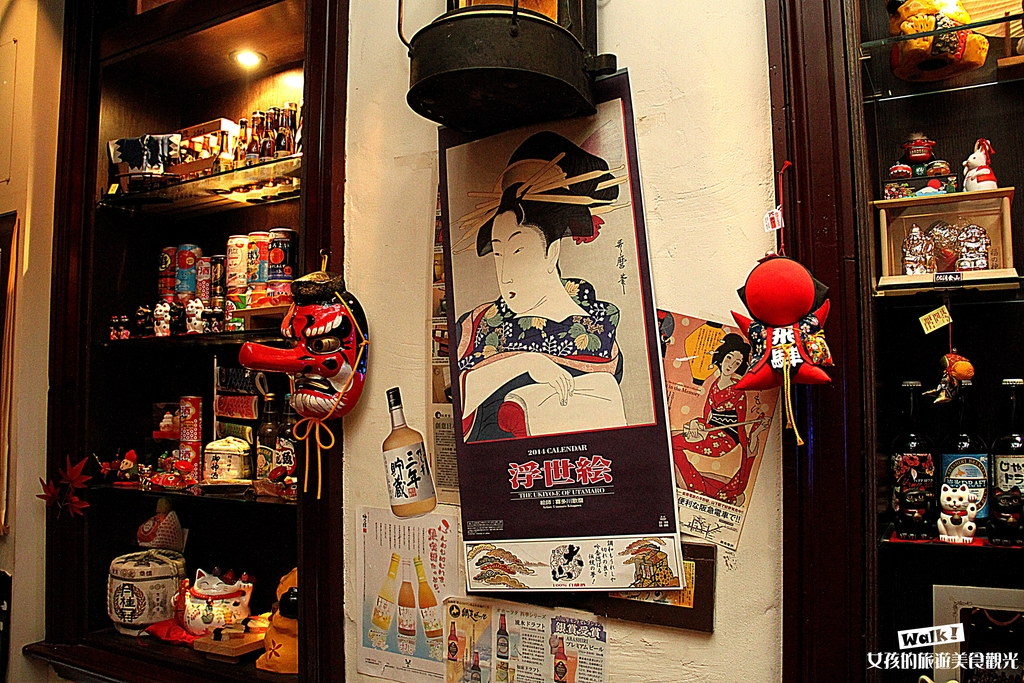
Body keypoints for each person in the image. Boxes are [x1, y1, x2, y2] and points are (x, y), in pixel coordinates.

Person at [452, 132, 627, 442]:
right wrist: (527, 362)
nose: (505, 275)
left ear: (552, 252)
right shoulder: (478, 326)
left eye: (518, 251)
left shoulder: (596, 331)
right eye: (499, 253)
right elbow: (458, 401)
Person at [672, 333, 770, 504]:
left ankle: (695, 485)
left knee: (673, 443)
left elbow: (739, 428)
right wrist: (697, 425)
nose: (730, 365)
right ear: (722, 356)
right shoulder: (715, 384)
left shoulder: (738, 391)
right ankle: (696, 482)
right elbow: (707, 417)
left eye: (737, 363)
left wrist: (751, 440)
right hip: (710, 431)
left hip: (725, 439)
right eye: (729, 358)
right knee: (672, 438)